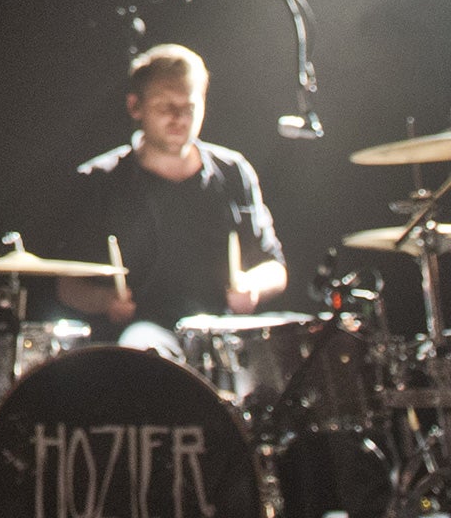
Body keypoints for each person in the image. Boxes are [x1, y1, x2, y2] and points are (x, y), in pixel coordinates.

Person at [57, 44, 287, 342]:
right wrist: (105, 301)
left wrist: (252, 286)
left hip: (219, 335)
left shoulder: (234, 172)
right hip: (139, 340)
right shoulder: (99, 180)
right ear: (135, 107)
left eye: (189, 107)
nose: (179, 118)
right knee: (141, 340)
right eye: (165, 107)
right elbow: (68, 286)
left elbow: (274, 267)